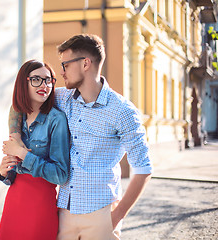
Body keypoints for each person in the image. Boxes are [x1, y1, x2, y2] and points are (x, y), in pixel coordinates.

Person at [9, 34, 153, 239]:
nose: (61, 72)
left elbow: (143, 169)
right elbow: (19, 103)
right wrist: (15, 138)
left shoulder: (122, 111)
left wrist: (116, 217)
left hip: (101, 214)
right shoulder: (61, 98)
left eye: (65, 65)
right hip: (64, 211)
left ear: (85, 63)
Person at [0, 60, 70, 240]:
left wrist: (23, 154)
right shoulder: (17, 115)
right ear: (24, 82)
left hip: (40, 204)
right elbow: (12, 174)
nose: (44, 85)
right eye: (36, 79)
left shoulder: (56, 120)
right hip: (14, 200)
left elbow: (61, 175)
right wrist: (2, 171)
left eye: (48, 80)